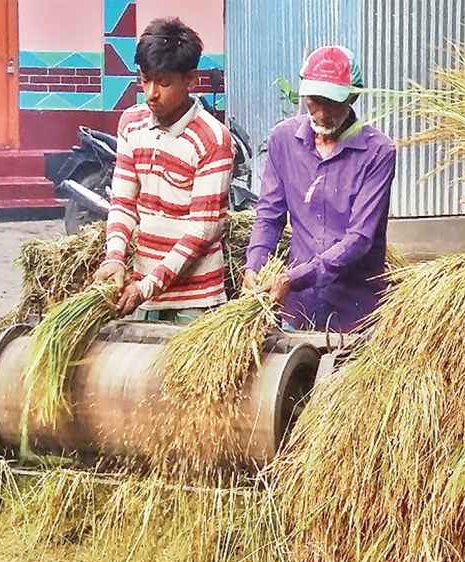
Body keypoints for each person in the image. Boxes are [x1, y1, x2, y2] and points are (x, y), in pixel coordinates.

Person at [244, 45, 397, 333]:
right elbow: (269, 214)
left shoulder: (378, 152)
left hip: (354, 314)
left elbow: (360, 239)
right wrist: (255, 262)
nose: (323, 113)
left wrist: (296, 277)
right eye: (315, 101)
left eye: (333, 102)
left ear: (353, 96)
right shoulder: (284, 139)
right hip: (297, 308)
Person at [91, 17, 233, 323]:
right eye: (145, 80)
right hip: (143, 294)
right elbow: (123, 204)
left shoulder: (213, 139)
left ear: (190, 80)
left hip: (195, 302)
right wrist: (115, 257)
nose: (151, 93)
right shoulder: (131, 123)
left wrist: (149, 285)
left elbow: (203, 231)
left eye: (164, 83)